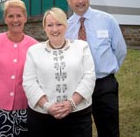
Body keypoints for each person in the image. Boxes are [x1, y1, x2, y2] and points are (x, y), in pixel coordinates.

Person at [65, 0, 127, 137]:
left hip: (104, 85)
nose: (80, 1)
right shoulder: (65, 27)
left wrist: (108, 70)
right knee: (79, 131)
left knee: (109, 131)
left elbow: (120, 50)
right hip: (77, 88)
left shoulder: (107, 20)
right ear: (68, 0)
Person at [23, 7, 96, 137]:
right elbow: (29, 82)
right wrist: (47, 106)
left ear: (66, 26)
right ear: (44, 27)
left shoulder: (81, 47)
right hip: (42, 118)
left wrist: (72, 103)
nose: (55, 29)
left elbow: (89, 77)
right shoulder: (33, 51)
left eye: (59, 24)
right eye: (50, 25)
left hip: (78, 116)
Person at [0, 0, 38, 137]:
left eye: (19, 15)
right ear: (5, 19)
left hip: (25, 110)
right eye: (10, 16)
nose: (15, 19)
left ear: (25, 18)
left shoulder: (35, 46)